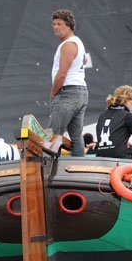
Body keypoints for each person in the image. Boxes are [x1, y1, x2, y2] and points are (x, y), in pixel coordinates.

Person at [49, 9, 89, 157]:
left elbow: (62, 74)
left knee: (54, 136)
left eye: (59, 24)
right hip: (80, 91)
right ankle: (79, 169)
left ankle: (50, 174)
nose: (55, 27)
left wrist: (53, 93)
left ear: (69, 25)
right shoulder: (78, 43)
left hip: (67, 93)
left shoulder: (68, 45)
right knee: (77, 137)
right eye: (54, 24)